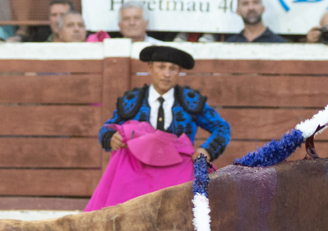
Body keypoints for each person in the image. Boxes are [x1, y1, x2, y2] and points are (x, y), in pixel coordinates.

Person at [89, 45, 231, 211]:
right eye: (161, 67)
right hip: (136, 174)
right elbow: (106, 128)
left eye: (173, 68)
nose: (166, 74)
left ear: (179, 72)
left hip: (178, 176)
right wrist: (111, 137)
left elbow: (222, 128)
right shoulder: (133, 100)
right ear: (150, 67)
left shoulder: (190, 100)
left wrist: (206, 150)